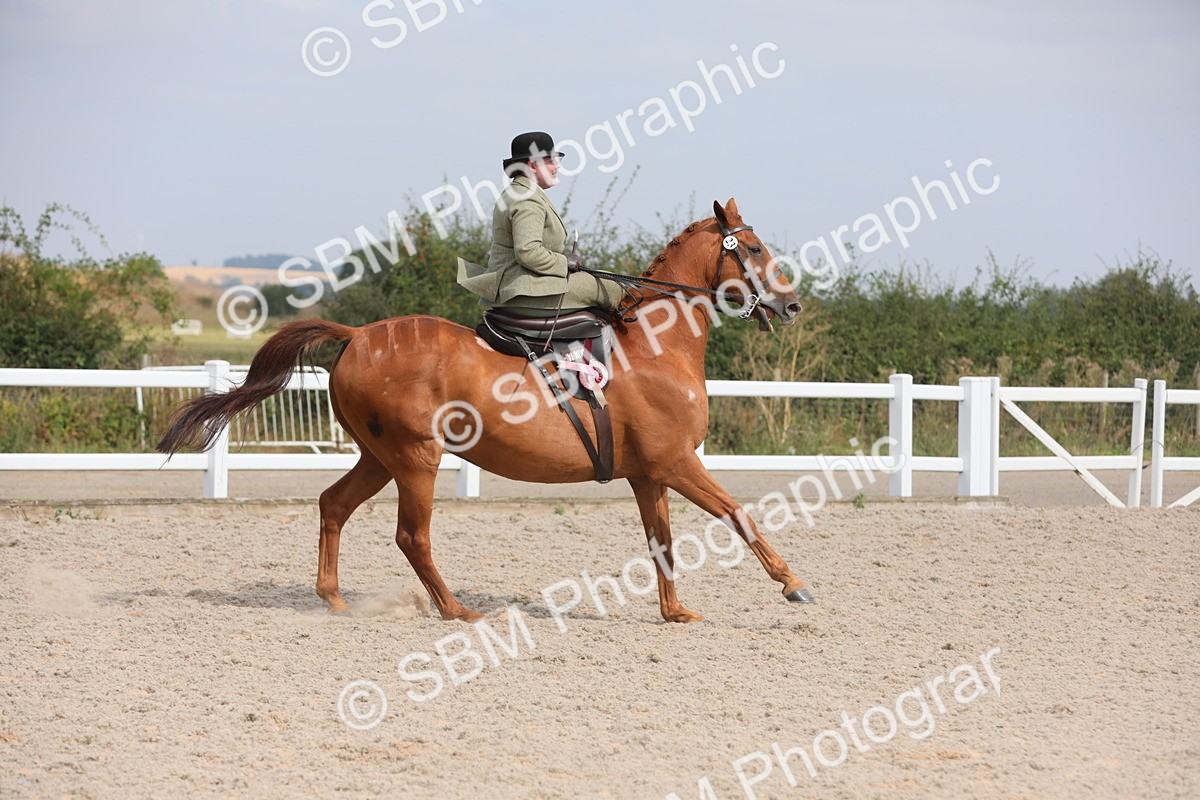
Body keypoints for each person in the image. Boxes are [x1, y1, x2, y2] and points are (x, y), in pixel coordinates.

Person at [457, 131, 624, 316]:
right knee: (613, 289)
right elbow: (528, 252)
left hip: (525, 284)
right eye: (551, 160)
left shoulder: (522, 192)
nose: (557, 166)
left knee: (607, 279)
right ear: (533, 165)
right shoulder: (526, 199)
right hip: (523, 289)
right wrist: (565, 262)